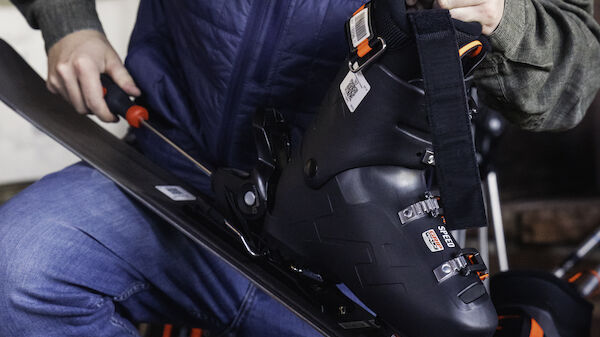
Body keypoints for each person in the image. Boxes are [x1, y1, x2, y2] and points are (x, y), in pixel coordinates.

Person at [1, 0, 599, 336]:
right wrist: (67, 20)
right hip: (168, 181)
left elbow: (573, 80)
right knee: (22, 269)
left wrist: (498, 18)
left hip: (356, 242)